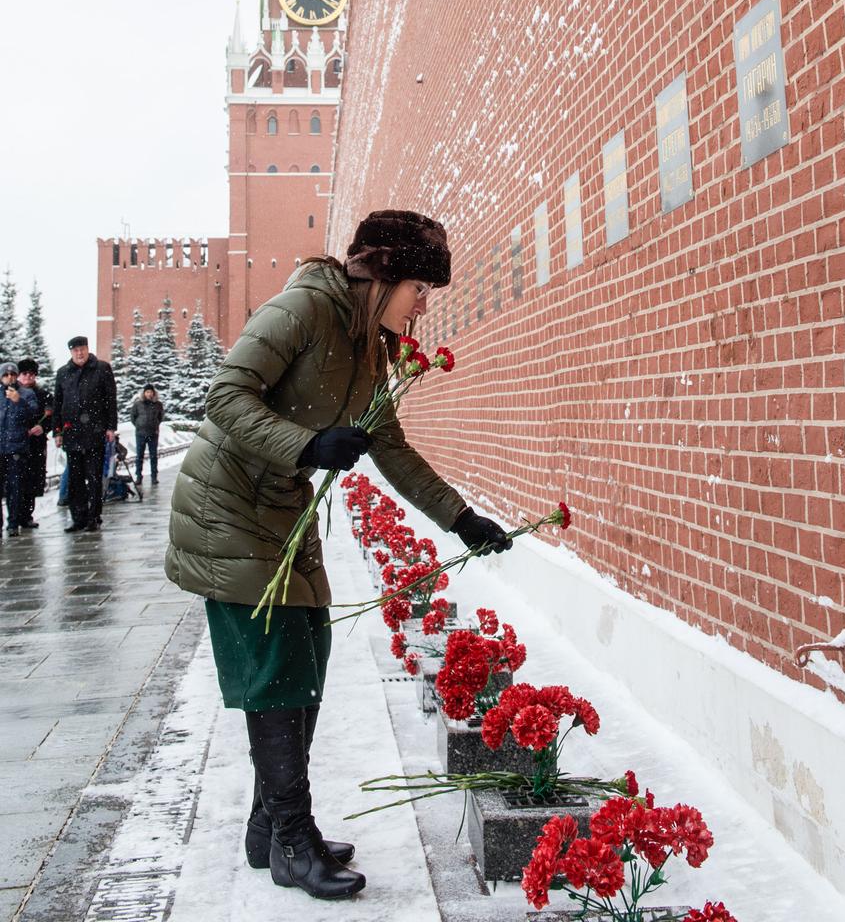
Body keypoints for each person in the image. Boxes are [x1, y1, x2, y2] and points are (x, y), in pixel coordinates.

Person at [165, 210, 511, 902]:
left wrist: (460, 518)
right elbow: (225, 396)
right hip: (227, 508)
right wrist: (305, 445)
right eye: (418, 287)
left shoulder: (369, 346)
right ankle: (293, 839)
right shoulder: (302, 309)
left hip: (281, 511)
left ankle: (271, 829)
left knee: (306, 658)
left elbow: (390, 446)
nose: (423, 304)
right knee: (275, 671)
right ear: (381, 277)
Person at [53, 337, 117, 533]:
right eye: (75, 350)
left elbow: (110, 400)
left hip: (95, 432)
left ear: (87, 349)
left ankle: (93, 516)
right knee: (75, 478)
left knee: (94, 477)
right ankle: (78, 517)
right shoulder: (63, 373)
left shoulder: (101, 368)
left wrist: (110, 427)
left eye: (82, 349)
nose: (79, 353)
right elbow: (58, 403)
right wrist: (57, 431)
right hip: (72, 433)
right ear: (71, 352)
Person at [0, 362, 38, 538]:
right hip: (1, 447)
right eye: (6, 375)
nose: (9, 378)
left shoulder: (26, 394)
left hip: (16, 448)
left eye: (12, 375)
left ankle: (13, 523)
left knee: (15, 488)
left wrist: (18, 402)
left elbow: (32, 414)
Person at [17, 358, 53, 529]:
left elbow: (53, 416)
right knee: (15, 481)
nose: (28, 378)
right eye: (24, 374)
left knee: (31, 481)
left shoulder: (44, 395)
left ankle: (26, 515)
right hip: (16, 444)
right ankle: (14, 516)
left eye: (31, 374)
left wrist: (43, 426)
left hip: (36, 444)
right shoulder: (11, 393)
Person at [130, 384, 164, 485]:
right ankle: (139, 476)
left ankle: (154, 476)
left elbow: (160, 416)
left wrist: (156, 424)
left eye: (151, 392)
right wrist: (138, 425)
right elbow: (133, 416)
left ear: (154, 393)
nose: (149, 394)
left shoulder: (158, 404)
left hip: (153, 433)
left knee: (153, 456)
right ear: (144, 393)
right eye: (147, 392)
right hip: (140, 433)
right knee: (139, 456)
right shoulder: (138, 404)